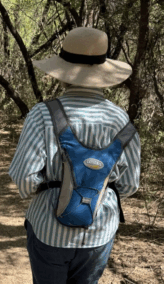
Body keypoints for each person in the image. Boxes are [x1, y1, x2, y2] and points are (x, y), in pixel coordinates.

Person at [8, 27, 141, 283]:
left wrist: (46, 190)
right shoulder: (120, 119)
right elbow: (129, 185)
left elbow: (25, 177)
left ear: (62, 72)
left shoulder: (43, 114)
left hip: (49, 229)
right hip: (99, 230)